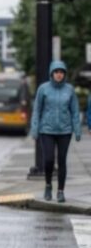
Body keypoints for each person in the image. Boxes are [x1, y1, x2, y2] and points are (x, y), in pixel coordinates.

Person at [30, 60, 81, 203]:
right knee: (48, 160)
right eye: (56, 72)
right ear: (52, 73)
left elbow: (75, 111)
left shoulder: (69, 90)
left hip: (65, 131)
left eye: (61, 72)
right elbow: (37, 110)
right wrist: (35, 128)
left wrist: (77, 129)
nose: (59, 75)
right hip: (46, 130)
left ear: (64, 74)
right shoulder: (43, 89)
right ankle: (48, 185)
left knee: (62, 161)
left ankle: (60, 191)